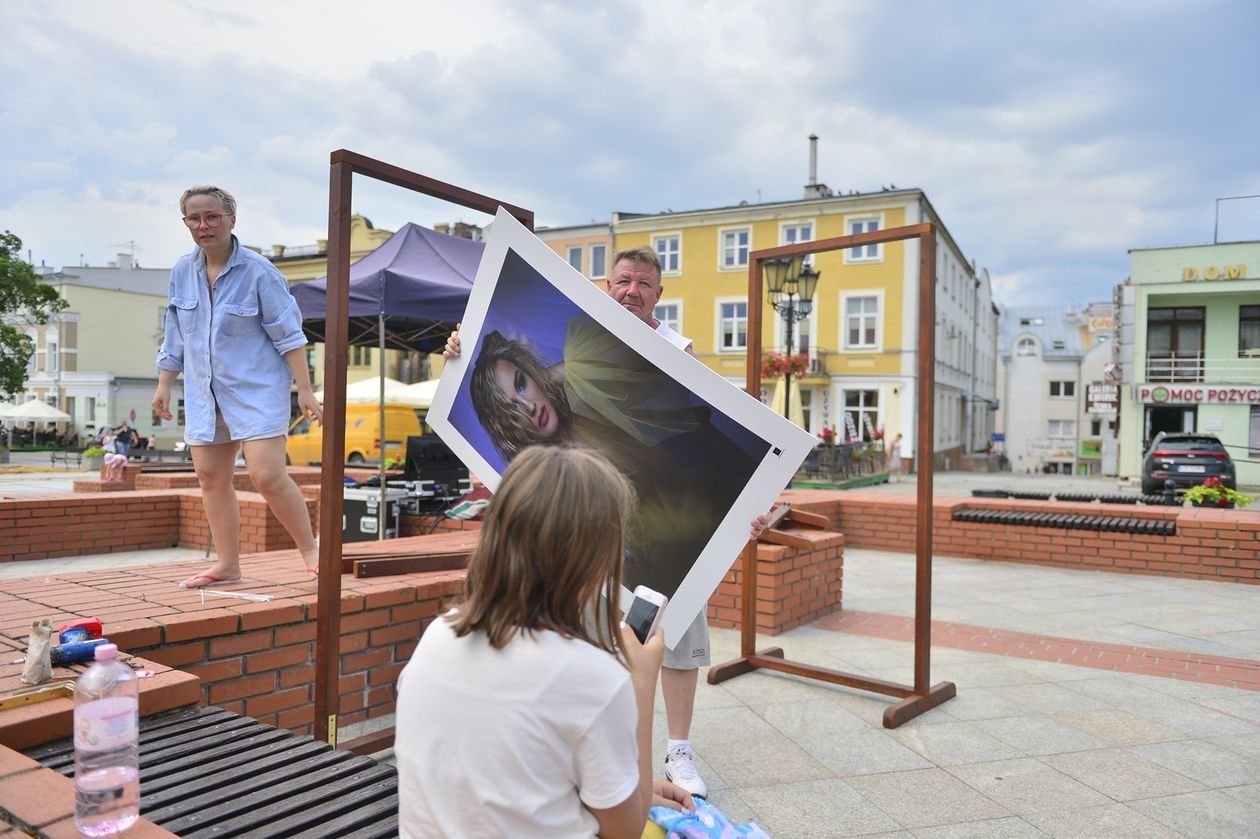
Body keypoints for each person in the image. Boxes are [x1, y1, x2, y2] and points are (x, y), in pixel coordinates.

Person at [444, 246, 767, 798]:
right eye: (622, 280)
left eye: (643, 283)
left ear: (659, 294)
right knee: (591, 643)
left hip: (666, 534)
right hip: (595, 542)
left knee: (676, 636)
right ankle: (600, 749)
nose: (631, 290)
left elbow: (711, 447)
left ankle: (678, 749)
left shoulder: (677, 355)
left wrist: (747, 510)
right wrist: (456, 351)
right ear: (605, 285)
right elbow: (506, 384)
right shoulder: (574, 364)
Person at [394, 445, 694, 838]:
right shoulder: (594, 678)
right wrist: (640, 684)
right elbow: (626, 831)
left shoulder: (440, 633)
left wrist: (621, 788)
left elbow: (504, 771)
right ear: (596, 560)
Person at [153, 185, 322, 588]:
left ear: (232, 218)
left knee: (266, 474)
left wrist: (306, 390)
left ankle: (312, 551)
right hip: (203, 390)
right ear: (185, 223)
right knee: (211, 477)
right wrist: (164, 384)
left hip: (256, 389)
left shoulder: (260, 271)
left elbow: (290, 336)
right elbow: (174, 332)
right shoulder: (182, 270)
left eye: (212, 216)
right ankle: (227, 564)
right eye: (194, 218)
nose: (203, 225)